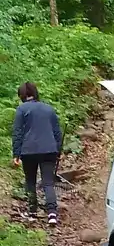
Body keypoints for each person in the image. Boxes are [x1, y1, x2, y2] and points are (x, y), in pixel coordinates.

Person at [11, 82, 63, 225]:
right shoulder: (49, 109)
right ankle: (52, 213)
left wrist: (16, 154)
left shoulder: (21, 109)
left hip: (28, 151)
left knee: (30, 181)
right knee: (48, 182)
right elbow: (57, 132)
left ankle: (32, 212)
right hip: (49, 150)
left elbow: (17, 133)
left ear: (22, 95)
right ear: (35, 93)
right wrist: (58, 150)